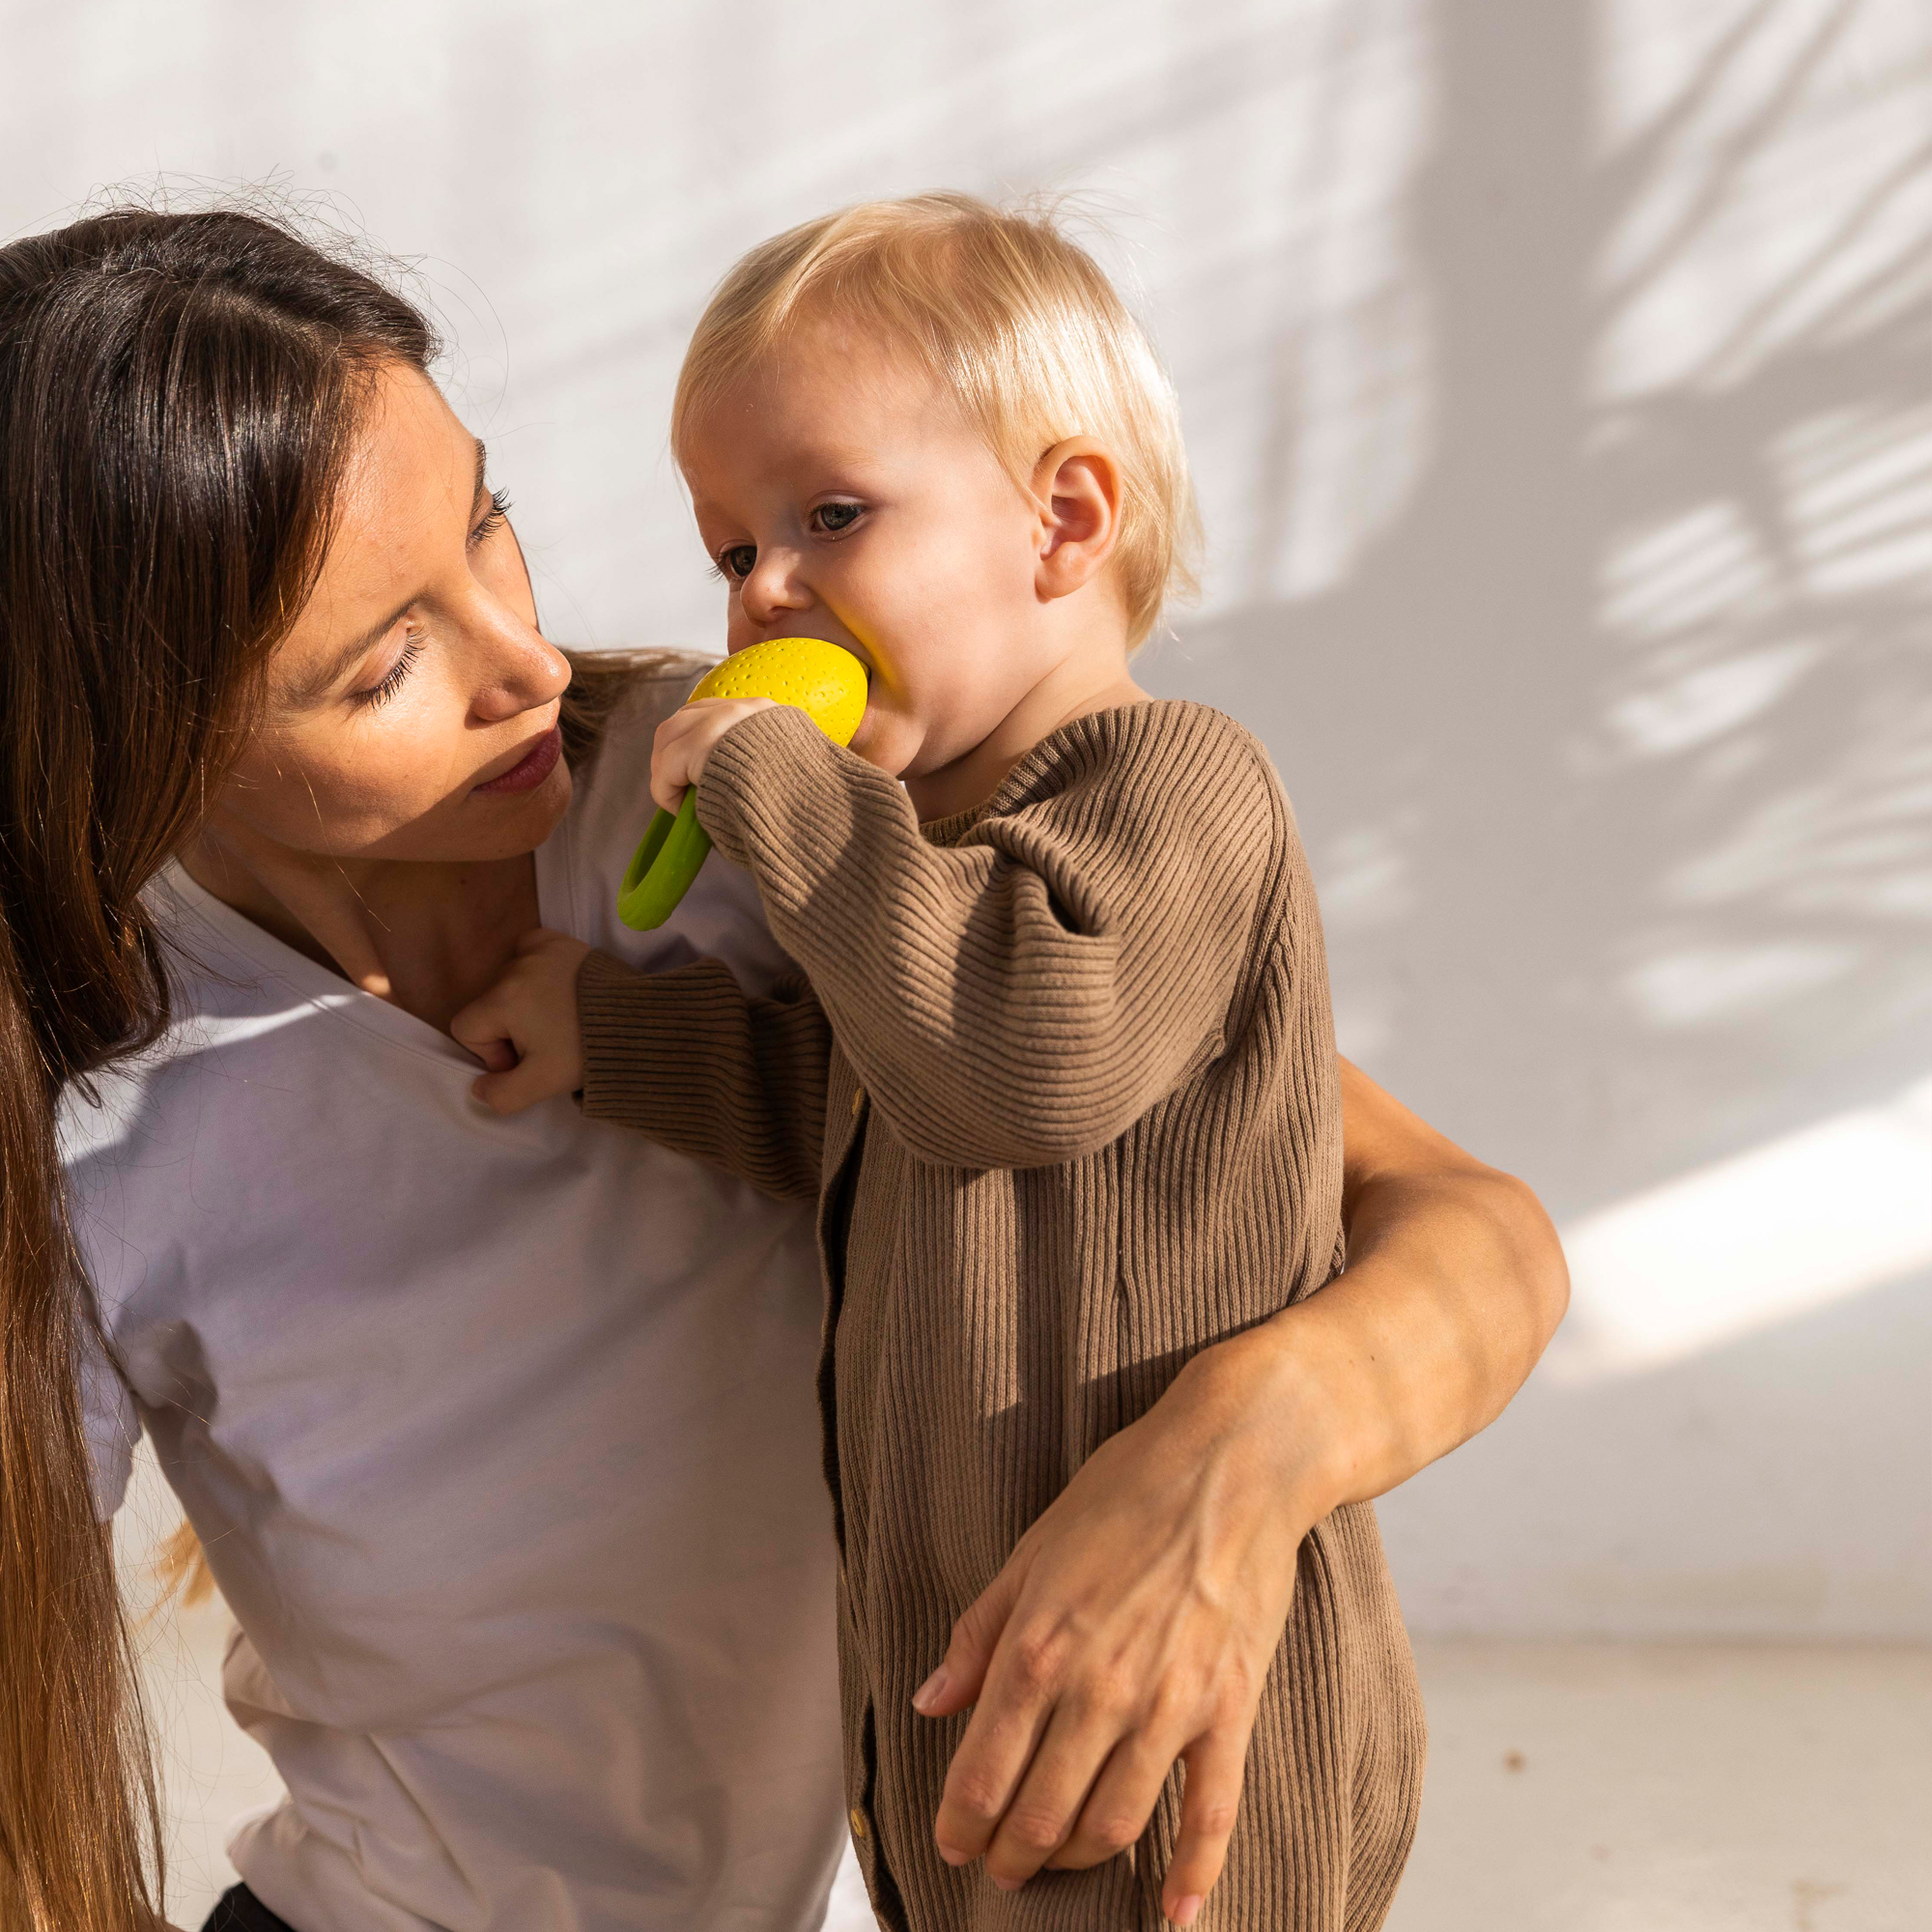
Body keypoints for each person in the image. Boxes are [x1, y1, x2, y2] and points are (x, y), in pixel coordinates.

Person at [0, 202, 1566, 1932]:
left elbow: (1462, 1225)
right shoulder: (90, 1123)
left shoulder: (779, 806)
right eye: (385, 665)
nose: (529, 665)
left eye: (489, 521)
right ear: (149, 742)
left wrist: (1243, 1451)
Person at [452, 195, 1509, 1932]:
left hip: (1188, 1749)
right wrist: (614, 1033)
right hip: (965, 1700)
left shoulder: (1177, 789)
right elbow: (861, 1113)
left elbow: (1018, 1065)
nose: (768, 591)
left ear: (1065, 519)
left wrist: (794, 803)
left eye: (832, 517)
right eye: (731, 552)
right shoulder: (923, 888)